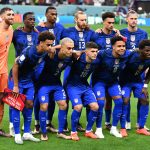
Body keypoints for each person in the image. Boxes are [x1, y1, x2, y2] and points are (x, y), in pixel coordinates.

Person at [12, 31, 55, 144]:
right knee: (17, 106)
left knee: (30, 103)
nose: (50, 47)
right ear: (40, 43)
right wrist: (15, 86)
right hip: (18, 80)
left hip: (29, 81)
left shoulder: (45, 51)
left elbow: (56, 47)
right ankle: (17, 134)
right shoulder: (29, 52)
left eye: (51, 44)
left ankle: (27, 133)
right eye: (48, 45)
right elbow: (15, 66)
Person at [62, 11, 97, 132]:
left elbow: (96, 46)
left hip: (84, 66)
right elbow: (62, 46)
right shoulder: (68, 31)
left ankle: (76, 124)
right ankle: (65, 123)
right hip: (71, 67)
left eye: (85, 20)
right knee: (66, 96)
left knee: (80, 94)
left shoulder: (90, 33)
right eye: (81, 20)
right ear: (75, 20)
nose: (84, 22)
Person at [91, 36, 131, 138]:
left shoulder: (127, 54)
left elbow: (138, 51)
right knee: (100, 103)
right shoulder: (103, 54)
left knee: (119, 102)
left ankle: (113, 128)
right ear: (113, 46)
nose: (122, 48)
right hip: (99, 82)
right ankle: (98, 129)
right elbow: (89, 53)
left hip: (113, 82)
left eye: (123, 46)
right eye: (119, 46)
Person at [34, 6, 65, 133]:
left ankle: (48, 123)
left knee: (52, 95)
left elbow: (67, 41)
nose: (54, 16)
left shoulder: (60, 28)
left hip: (54, 62)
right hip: (41, 62)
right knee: (39, 95)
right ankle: (37, 123)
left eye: (56, 14)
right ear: (46, 15)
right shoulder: (40, 28)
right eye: (52, 14)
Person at [37, 38, 74, 141]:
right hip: (44, 85)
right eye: (68, 48)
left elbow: (82, 52)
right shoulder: (50, 54)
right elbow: (41, 50)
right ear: (61, 48)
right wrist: (53, 47)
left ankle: (60, 132)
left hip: (57, 84)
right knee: (44, 106)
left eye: (72, 48)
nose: (71, 50)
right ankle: (43, 133)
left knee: (63, 104)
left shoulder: (69, 57)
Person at [9, 11, 39, 137]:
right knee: (15, 102)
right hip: (18, 70)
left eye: (34, 19)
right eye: (30, 19)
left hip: (31, 73)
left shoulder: (37, 34)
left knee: (29, 102)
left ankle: (26, 129)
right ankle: (12, 124)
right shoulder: (16, 33)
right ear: (24, 20)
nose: (32, 21)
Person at [120, 10, 148, 130]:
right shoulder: (121, 33)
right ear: (127, 19)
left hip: (140, 71)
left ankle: (140, 123)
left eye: (135, 19)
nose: (134, 21)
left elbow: (147, 51)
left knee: (141, 96)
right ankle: (126, 121)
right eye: (131, 18)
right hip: (125, 71)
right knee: (125, 98)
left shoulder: (143, 33)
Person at [65, 42, 99, 141]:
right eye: (92, 51)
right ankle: (73, 132)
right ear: (86, 52)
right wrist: (77, 51)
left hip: (85, 86)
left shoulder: (96, 61)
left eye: (96, 51)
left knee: (95, 106)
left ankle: (88, 131)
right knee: (78, 107)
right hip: (72, 86)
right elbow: (66, 51)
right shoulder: (77, 58)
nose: (95, 53)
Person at [120, 39, 150, 136]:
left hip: (137, 81)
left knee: (145, 99)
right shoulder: (131, 55)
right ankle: (123, 127)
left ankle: (141, 127)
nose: (149, 53)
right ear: (140, 50)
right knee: (125, 101)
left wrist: (145, 85)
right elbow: (119, 66)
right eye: (147, 51)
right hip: (125, 82)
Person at [0, 7, 14, 137]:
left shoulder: (11, 30)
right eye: (9, 14)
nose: (12, 16)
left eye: (13, 14)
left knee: (1, 100)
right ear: (2, 16)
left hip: (3, 72)